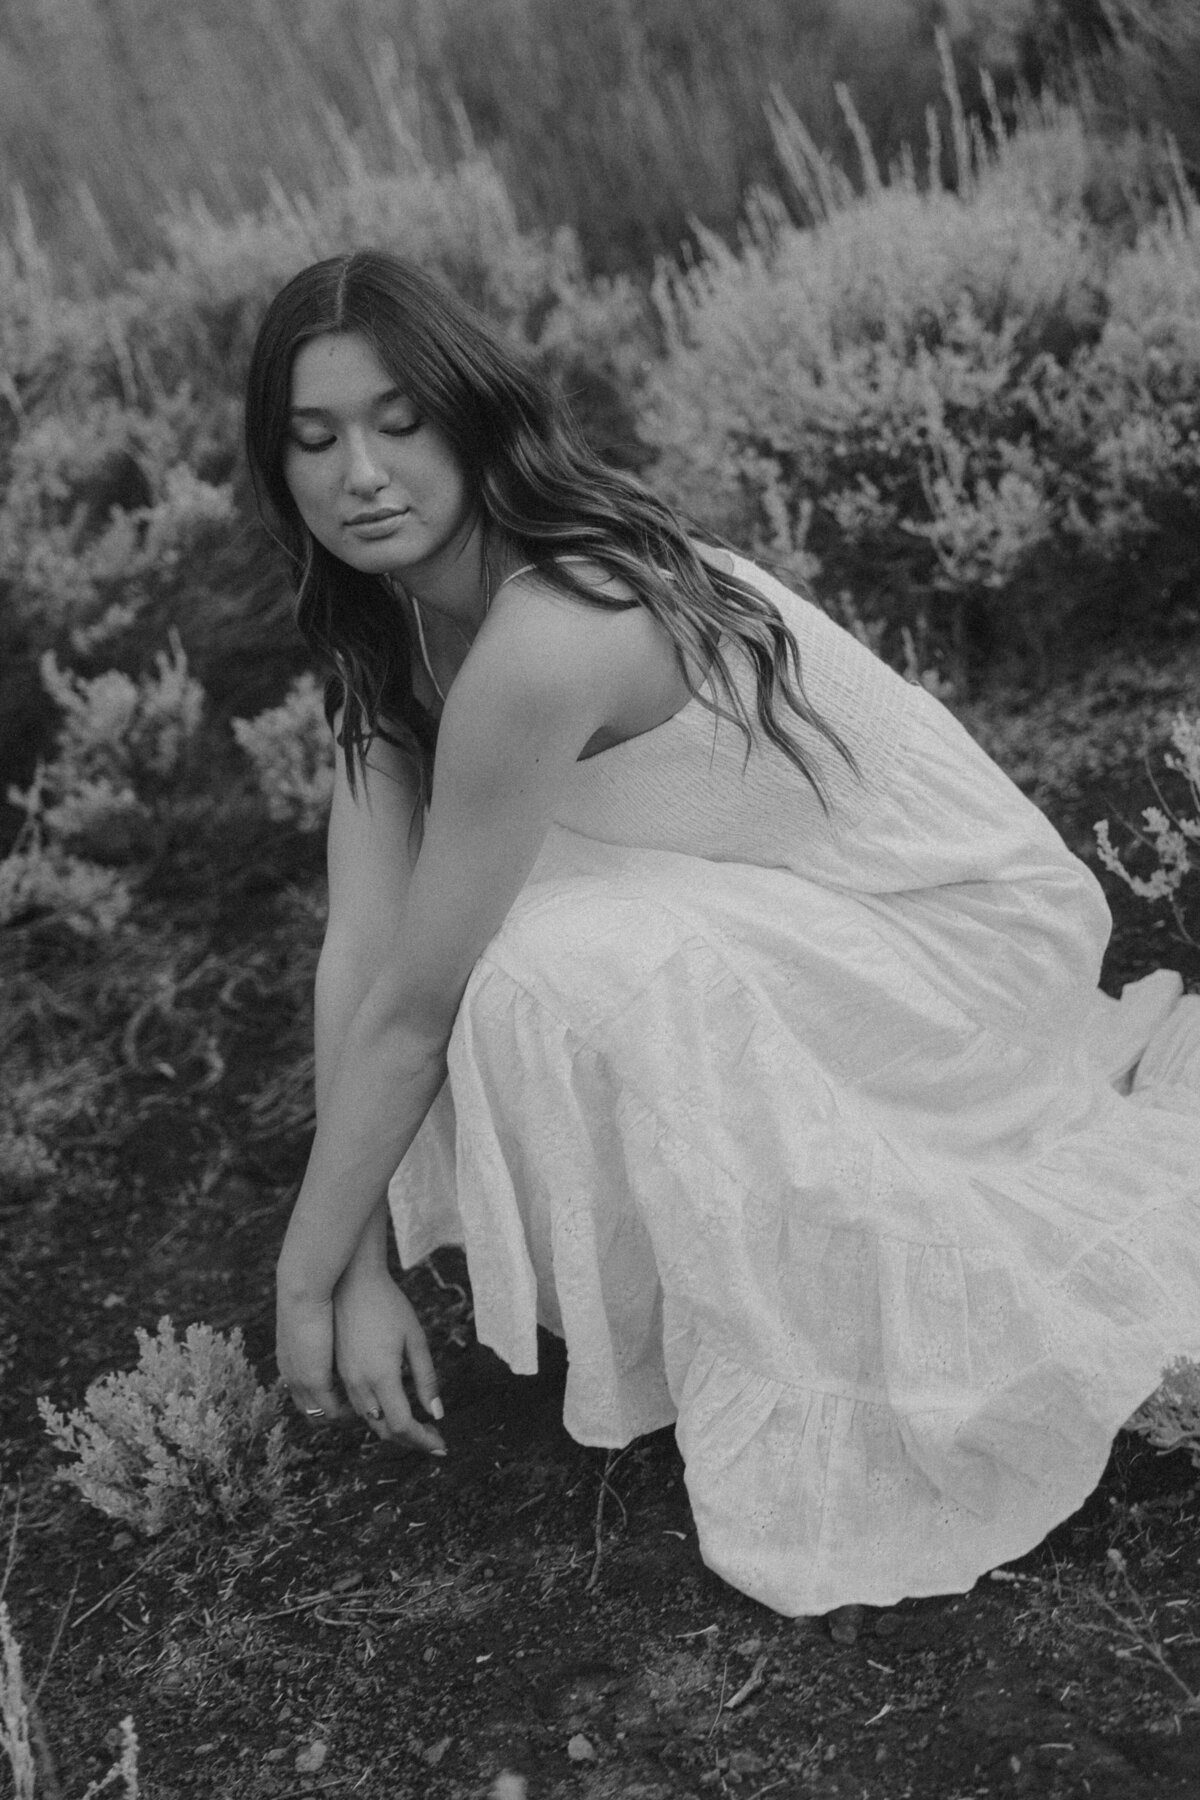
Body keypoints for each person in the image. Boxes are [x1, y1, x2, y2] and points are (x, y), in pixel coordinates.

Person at [243, 248, 1200, 1619]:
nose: (362, 475)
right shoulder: (388, 620)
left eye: (401, 423)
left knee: (530, 963)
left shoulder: (549, 627)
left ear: (472, 420)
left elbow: (415, 1004)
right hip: (796, 904)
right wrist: (357, 1265)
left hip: (956, 937)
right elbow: (362, 945)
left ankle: (797, 1306)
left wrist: (299, 1286)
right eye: (315, 438)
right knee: (490, 922)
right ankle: (696, 1273)